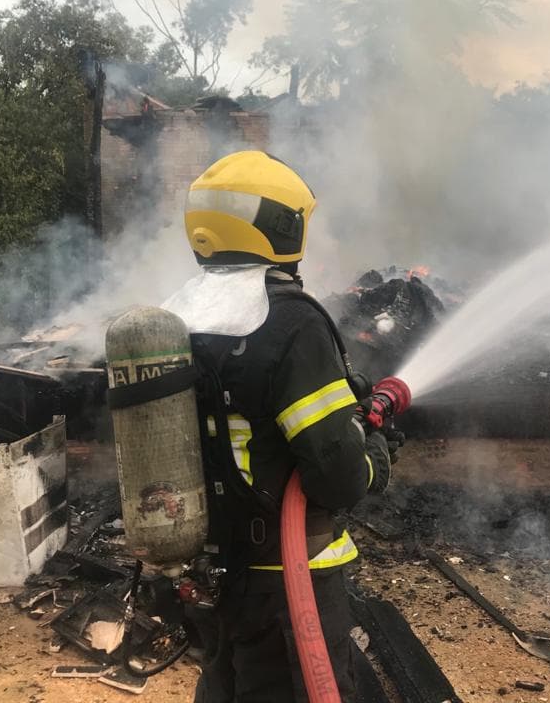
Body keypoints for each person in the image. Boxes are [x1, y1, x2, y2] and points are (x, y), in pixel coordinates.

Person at [161, 150, 393, 703]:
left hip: (208, 564)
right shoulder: (290, 321)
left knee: (226, 683)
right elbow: (335, 476)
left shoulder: (172, 319)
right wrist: (375, 458)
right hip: (287, 578)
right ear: (283, 224)